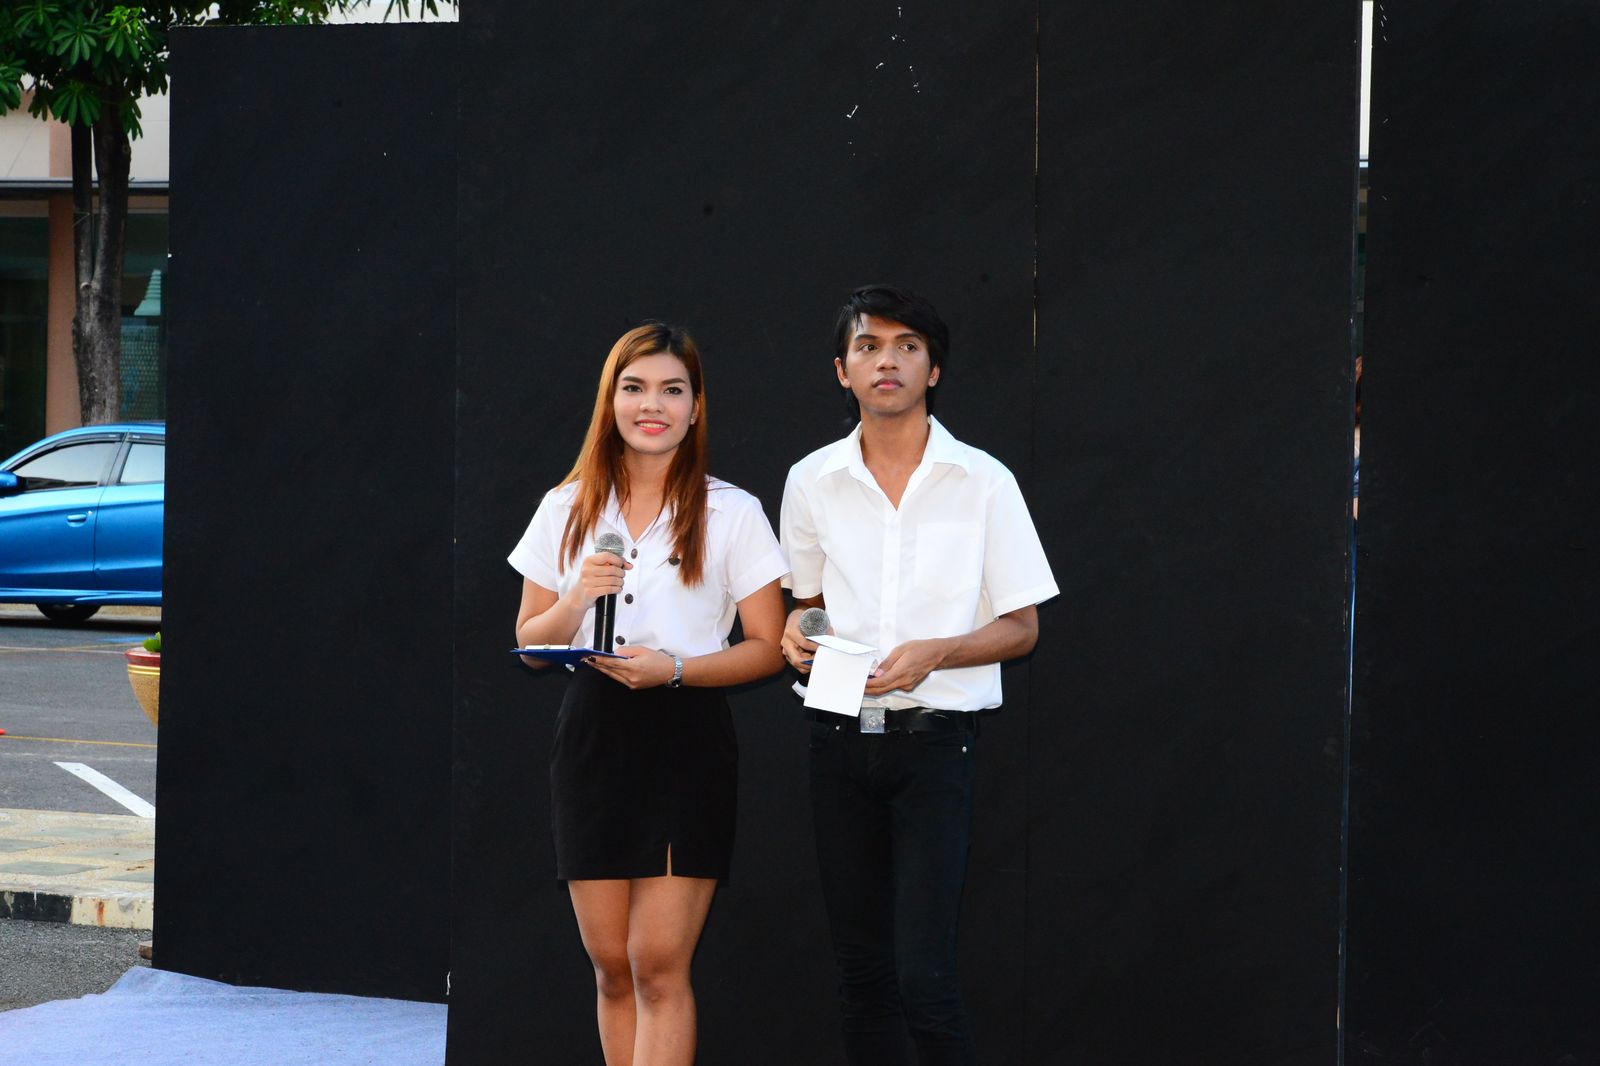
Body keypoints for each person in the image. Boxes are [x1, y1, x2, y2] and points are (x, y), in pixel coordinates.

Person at [779, 286, 1058, 1065]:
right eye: (868, 346)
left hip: (936, 746)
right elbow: (808, 607)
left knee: (924, 978)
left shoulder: (984, 481)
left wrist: (936, 651)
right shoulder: (811, 479)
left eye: (907, 346)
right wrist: (800, 634)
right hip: (836, 740)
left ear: (933, 369)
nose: (887, 361)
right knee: (862, 975)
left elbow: (1024, 628)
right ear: (842, 370)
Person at [509, 321, 787, 1066]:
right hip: (593, 736)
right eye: (634, 388)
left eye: (672, 390)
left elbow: (768, 645)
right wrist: (576, 597)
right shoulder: (565, 505)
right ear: (611, 402)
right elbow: (531, 644)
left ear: (696, 408)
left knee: (658, 965)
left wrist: (676, 669)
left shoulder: (733, 511)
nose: (651, 405)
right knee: (611, 967)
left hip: (686, 734)